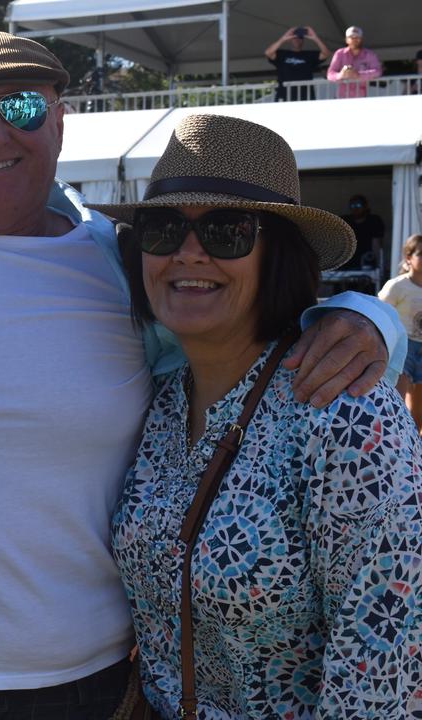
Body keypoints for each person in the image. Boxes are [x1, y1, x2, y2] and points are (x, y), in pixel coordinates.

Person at [0, 31, 403, 718]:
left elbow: (249, 330)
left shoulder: (123, 267)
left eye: (23, 107)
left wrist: (370, 317)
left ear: (61, 118)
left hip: (89, 692)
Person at [97, 113, 422, 717]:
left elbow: (383, 666)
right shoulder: (162, 401)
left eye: (227, 231)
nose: (188, 254)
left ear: (278, 252)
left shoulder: (345, 410)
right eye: (163, 230)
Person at [380, 233, 422, 429]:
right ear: (408, 258)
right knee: (397, 400)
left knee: (418, 411)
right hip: (403, 347)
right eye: (421, 254)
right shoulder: (397, 286)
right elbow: (381, 313)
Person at [264, 26, 331, 101]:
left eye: (300, 38)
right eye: (294, 38)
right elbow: (268, 53)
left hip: (305, 96)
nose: (297, 40)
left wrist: (315, 38)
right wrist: (283, 38)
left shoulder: (309, 55)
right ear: (290, 40)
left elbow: (326, 54)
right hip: (284, 95)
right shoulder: (282, 54)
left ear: (303, 40)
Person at [326, 25, 382, 98]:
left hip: (360, 97)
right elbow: (330, 74)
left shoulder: (370, 54)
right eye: (351, 37)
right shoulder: (340, 53)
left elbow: (377, 71)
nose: (354, 40)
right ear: (346, 40)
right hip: (341, 98)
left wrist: (358, 75)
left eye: (357, 37)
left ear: (361, 39)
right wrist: (341, 75)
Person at [339, 193, 385, 270]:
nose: (355, 208)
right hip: (347, 262)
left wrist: (378, 265)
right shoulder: (345, 221)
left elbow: (376, 244)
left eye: (358, 205)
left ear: (366, 206)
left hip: (367, 262)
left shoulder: (374, 220)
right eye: (352, 206)